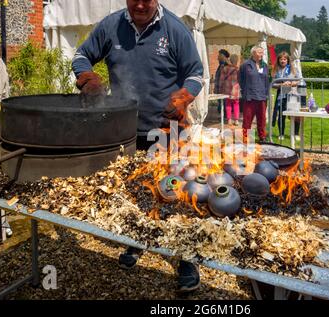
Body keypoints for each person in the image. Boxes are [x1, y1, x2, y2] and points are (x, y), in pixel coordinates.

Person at [72, 0, 204, 292]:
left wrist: (184, 96)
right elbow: (81, 55)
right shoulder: (111, 26)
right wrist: (86, 77)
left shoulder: (175, 29)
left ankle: (186, 258)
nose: (141, 5)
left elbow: (196, 73)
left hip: (168, 129)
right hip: (126, 130)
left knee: (175, 193)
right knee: (136, 190)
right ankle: (135, 241)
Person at [239, 45, 269, 143]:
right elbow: (241, 79)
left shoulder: (264, 65)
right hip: (250, 97)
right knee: (247, 120)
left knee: (262, 119)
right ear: (253, 53)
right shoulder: (245, 65)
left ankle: (262, 137)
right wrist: (245, 90)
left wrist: (266, 94)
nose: (261, 54)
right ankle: (247, 138)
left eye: (262, 52)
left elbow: (266, 81)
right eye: (259, 52)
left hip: (262, 96)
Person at [271, 51, 301, 141]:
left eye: (284, 59)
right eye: (281, 59)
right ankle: (281, 133)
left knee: (295, 115)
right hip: (281, 95)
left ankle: (296, 133)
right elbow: (273, 84)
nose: (283, 61)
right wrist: (281, 85)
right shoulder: (276, 70)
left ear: (288, 60)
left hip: (293, 94)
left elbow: (299, 80)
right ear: (278, 60)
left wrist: (291, 83)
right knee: (281, 115)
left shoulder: (294, 69)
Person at [219, 54, 240, 126]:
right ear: (237, 61)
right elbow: (240, 80)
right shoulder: (237, 69)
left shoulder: (224, 68)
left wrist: (220, 88)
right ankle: (236, 120)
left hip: (227, 89)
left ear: (230, 60)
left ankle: (229, 120)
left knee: (228, 104)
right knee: (236, 104)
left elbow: (221, 80)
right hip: (235, 89)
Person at [214, 49, 230, 114]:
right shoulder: (220, 65)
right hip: (219, 87)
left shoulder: (227, 65)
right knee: (220, 103)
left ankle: (225, 116)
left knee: (224, 103)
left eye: (219, 55)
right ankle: (222, 115)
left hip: (224, 88)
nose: (218, 57)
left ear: (222, 55)